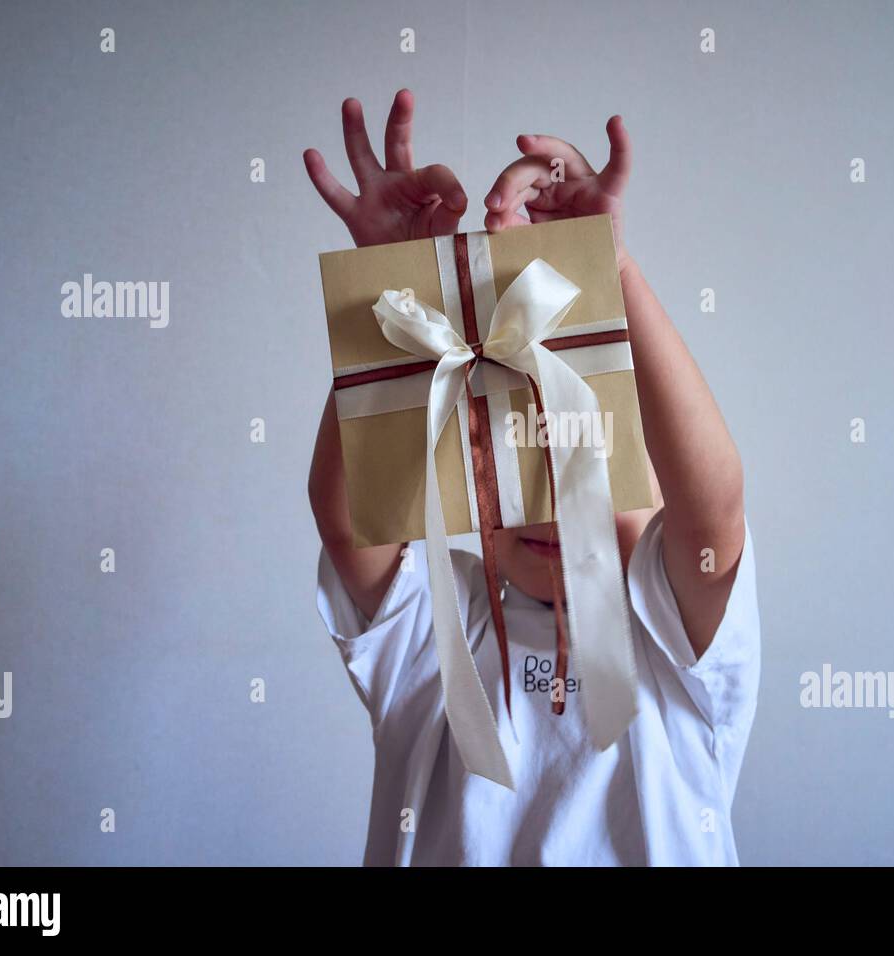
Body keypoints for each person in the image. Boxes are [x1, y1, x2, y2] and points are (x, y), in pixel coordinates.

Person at [305, 89, 759, 866]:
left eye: (588, 465)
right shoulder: (438, 632)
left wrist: (608, 264)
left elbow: (714, 509)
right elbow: (348, 518)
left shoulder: (675, 638)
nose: (555, 509)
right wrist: (394, 282)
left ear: (660, 497)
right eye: (517, 469)